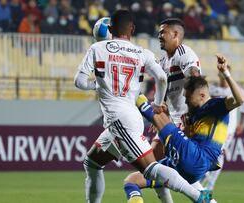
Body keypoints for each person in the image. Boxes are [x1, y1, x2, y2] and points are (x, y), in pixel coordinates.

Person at [74, 10, 211, 203]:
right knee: (92, 163)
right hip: (129, 118)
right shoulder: (143, 53)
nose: (159, 35)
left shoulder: (97, 48)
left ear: (110, 29)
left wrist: (98, 84)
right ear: (132, 29)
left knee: (151, 168)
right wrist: (158, 105)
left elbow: (79, 82)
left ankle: (200, 198)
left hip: (120, 119)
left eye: (163, 32)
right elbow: (161, 78)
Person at [123, 54, 244, 203]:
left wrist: (226, 73)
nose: (186, 101)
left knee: (157, 116)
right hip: (187, 164)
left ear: (202, 95)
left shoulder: (216, 106)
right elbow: (185, 138)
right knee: (132, 181)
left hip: (199, 159)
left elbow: (240, 100)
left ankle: (130, 86)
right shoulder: (192, 115)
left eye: (188, 98)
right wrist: (171, 120)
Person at [124, 18, 203, 203]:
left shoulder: (184, 53)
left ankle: (206, 199)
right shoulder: (163, 61)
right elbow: (167, 90)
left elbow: (195, 76)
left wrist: (192, 115)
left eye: (163, 32)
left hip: (185, 121)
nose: (159, 36)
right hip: (171, 121)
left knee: (162, 170)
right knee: (153, 168)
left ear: (175, 35)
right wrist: (161, 115)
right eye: (159, 32)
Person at [200, 64, 244, 191]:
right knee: (212, 152)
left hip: (229, 128)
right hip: (214, 126)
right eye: (220, 75)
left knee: (220, 153)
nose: (222, 77)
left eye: (224, 75)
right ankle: (204, 178)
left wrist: (241, 123)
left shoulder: (237, 90)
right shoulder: (214, 90)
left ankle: (208, 184)